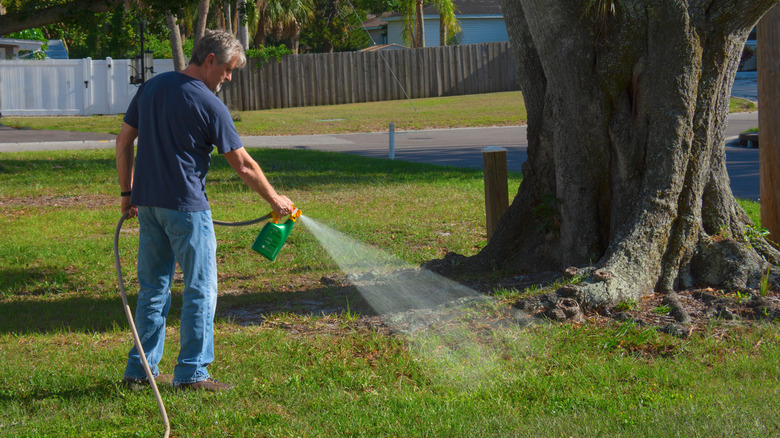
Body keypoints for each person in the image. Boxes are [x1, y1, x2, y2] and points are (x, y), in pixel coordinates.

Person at [115, 29, 294, 392]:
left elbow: (123, 142)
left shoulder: (152, 88)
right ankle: (192, 373)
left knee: (153, 289)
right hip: (186, 209)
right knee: (200, 288)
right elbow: (242, 164)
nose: (228, 78)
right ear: (210, 60)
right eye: (228, 69)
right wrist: (276, 201)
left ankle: (140, 373)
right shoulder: (210, 104)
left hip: (148, 206)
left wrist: (127, 192)